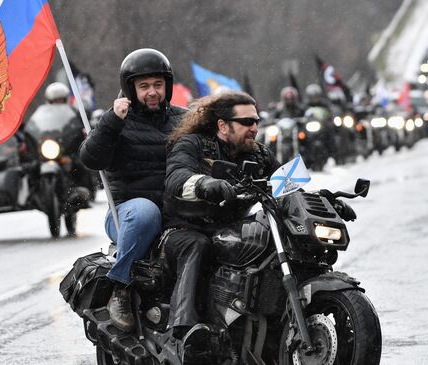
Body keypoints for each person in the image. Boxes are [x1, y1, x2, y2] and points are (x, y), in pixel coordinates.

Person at [162, 91, 280, 346]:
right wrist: (204, 182)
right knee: (198, 245)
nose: (254, 128)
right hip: (184, 229)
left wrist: (321, 200)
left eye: (256, 121)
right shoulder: (193, 145)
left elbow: (285, 182)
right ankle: (185, 332)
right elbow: (176, 176)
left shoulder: (259, 155)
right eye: (247, 122)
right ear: (223, 126)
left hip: (228, 229)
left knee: (267, 243)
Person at [79, 48, 186, 331]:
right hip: (128, 214)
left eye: (158, 85)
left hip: (177, 212)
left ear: (168, 86)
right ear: (130, 89)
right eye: (144, 86)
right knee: (145, 212)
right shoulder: (115, 120)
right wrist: (112, 123)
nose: (153, 92)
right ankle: (120, 287)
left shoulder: (184, 120)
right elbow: (91, 159)